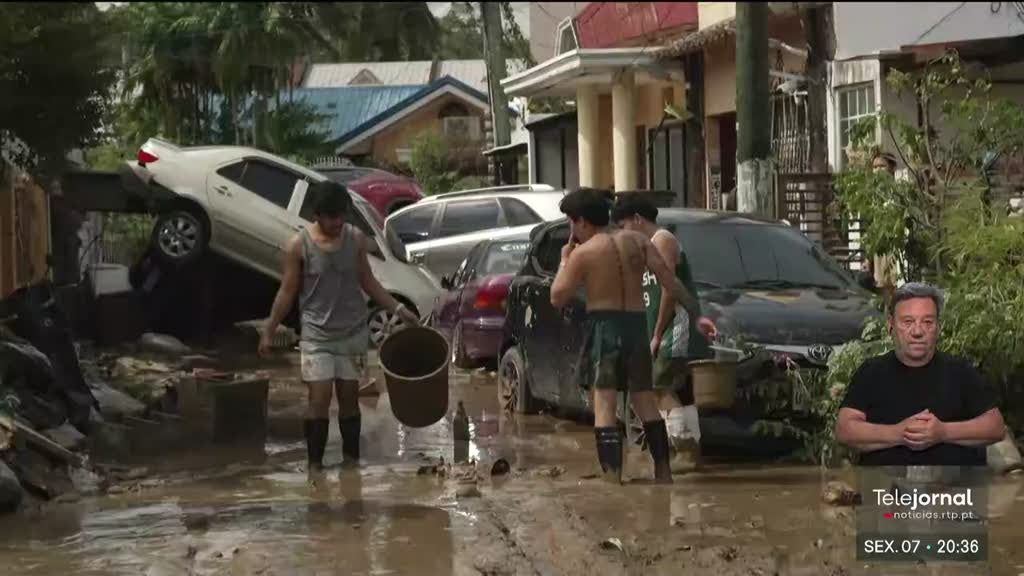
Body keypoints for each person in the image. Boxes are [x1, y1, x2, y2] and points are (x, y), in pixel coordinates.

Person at [550, 188, 715, 484]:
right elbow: (671, 282)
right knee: (645, 401)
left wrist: (565, 259)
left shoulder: (584, 253)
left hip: (606, 327)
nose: (570, 229)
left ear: (582, 222)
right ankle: (663, 473)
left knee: (604, 404)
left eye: (570, 222)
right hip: (638, 328)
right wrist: (697, 315)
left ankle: (613, 477)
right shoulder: (639, 242)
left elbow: (557, 296)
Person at [259, 180, 419, 471]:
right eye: (332, 217)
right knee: (319, 399)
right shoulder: (299, 246)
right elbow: (287, 291)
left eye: (342, 216)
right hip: (316, 336)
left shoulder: (355, 240)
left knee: (349, 399)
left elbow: (368, 281)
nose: (338, 223)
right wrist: (270, 329)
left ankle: (351, 464)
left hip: (353, 334)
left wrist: (398, 309)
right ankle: (315, 466)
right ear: (317, 215)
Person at [835, 282, 1005, 466]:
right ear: (891, 325)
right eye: (908, 322)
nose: (917, 332)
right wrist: (900, 433)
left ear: (938, 327)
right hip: (885, 489)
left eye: (927, 322)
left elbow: (995, 427)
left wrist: (943, 432)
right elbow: (845, 429)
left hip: (954, 489)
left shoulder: (961, 371)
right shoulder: (871, 373)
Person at [611, 193, 717, 470]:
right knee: (667, 387)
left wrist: (657, 333)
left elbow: (670, 290)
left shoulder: (663, 240)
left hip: (676, 324)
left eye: (623, 226)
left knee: (659, 384)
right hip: (660, 326)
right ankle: (686, 448)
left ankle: (687, 451)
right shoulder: (643, 247)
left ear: (637, 219)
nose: (622, 233)